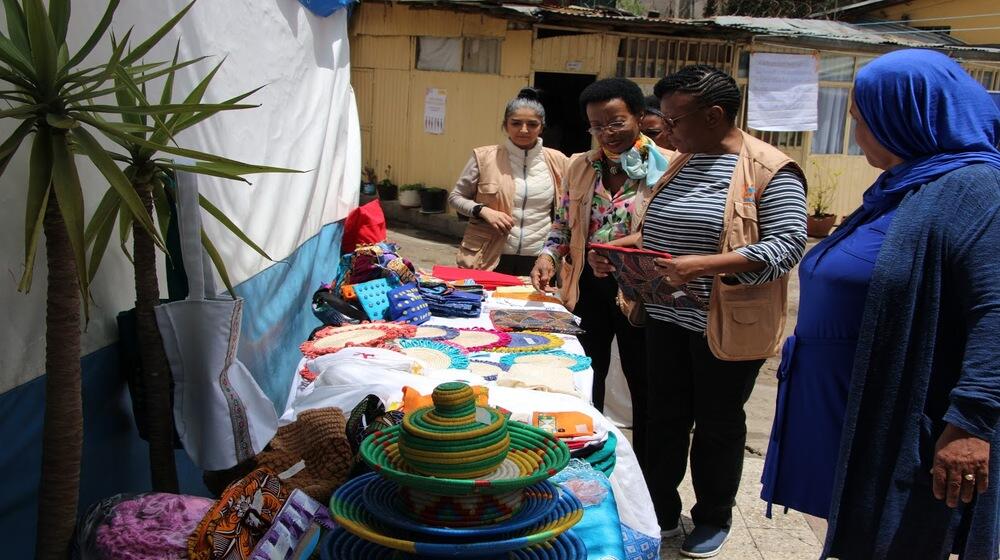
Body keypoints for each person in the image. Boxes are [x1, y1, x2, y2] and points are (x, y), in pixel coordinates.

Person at [761, 49, 1000, 560]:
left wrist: (971, 426)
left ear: (906, 117)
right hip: (857, 408)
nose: (854, 135)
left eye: (860, 121)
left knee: (905, 541)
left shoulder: (975, 190)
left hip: (917, 415)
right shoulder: (903, 186)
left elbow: (995, 313)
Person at [589, 65, 807, 557]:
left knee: (717, 423)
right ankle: (660, 510)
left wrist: (702, 267)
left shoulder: (771, 170)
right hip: (667, 316)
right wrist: (618, 248)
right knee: (663, 418)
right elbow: (662, 234)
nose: (663, 131)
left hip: (726, 324)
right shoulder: (683, 160)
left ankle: (713, 515)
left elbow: (788, 246)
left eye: (673, 120)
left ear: (713, 115)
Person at [530, 78, 671, 474]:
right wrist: (548, 255)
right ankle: (587, 459)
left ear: (639, 117)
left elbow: (670, 230)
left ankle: (644, 473)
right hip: (587, 288)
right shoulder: (580, 165)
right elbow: (562, 223)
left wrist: (617, 249)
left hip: (643, 291)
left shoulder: (668, 165)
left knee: (645, 385)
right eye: (596, 125)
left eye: (616, 123)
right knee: (585, 375)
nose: (606, 133)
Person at [450, 88, 568, 275]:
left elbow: (568, 209)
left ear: (542, 127)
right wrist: (483, 211)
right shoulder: (484, 157)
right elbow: (456, 197)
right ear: (505, 125)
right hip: (489, 255)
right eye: (516, 123)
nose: (524, 130)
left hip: (539, 258)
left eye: (532, 124)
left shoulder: (559, 161)